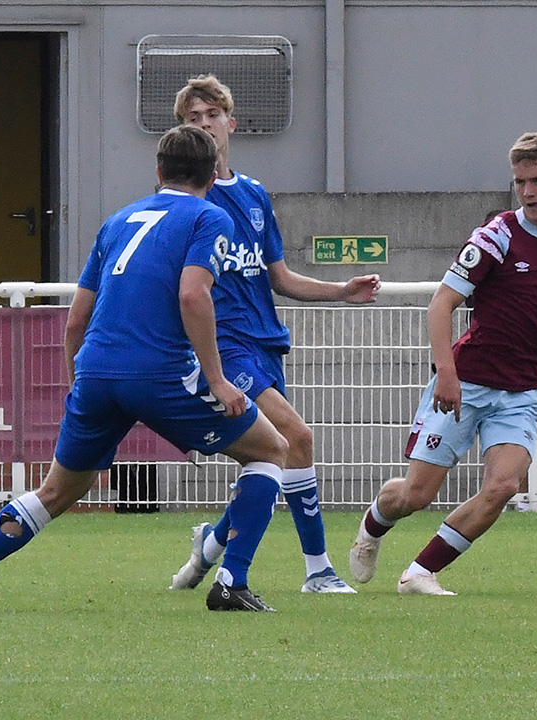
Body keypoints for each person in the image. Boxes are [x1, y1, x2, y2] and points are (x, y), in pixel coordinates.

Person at [0, 125, 288, 613]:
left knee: (54, 492)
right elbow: (193, 294)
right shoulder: (210, 217)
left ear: (157, 172)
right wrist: (216, 379)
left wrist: (81, 386)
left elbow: (76, 319)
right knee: (271, 450)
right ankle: (231, 581)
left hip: (94, 369)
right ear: (213, 173)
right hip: (160, 373)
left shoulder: (118, 220)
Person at [349, 131, 537, 595]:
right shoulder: (494, 237)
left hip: (521, 391)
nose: (528, 191)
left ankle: (420, 572)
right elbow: (441, 306)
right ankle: (373, 526)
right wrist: (448, 374)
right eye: (520, 181)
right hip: (467, 381)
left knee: (505, 486)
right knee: (416, 496)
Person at [168, 75, 380, 595]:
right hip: (227, 347)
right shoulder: (185, 202)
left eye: (210, 116)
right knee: (296, 439)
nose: (203, 125)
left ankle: (211, 544)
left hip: (266, 346)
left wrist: (340, 290)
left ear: (230, 124)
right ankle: (318, 570)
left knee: (266, 458)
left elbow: (279, 278)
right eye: (192, 119)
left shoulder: (255, 196)